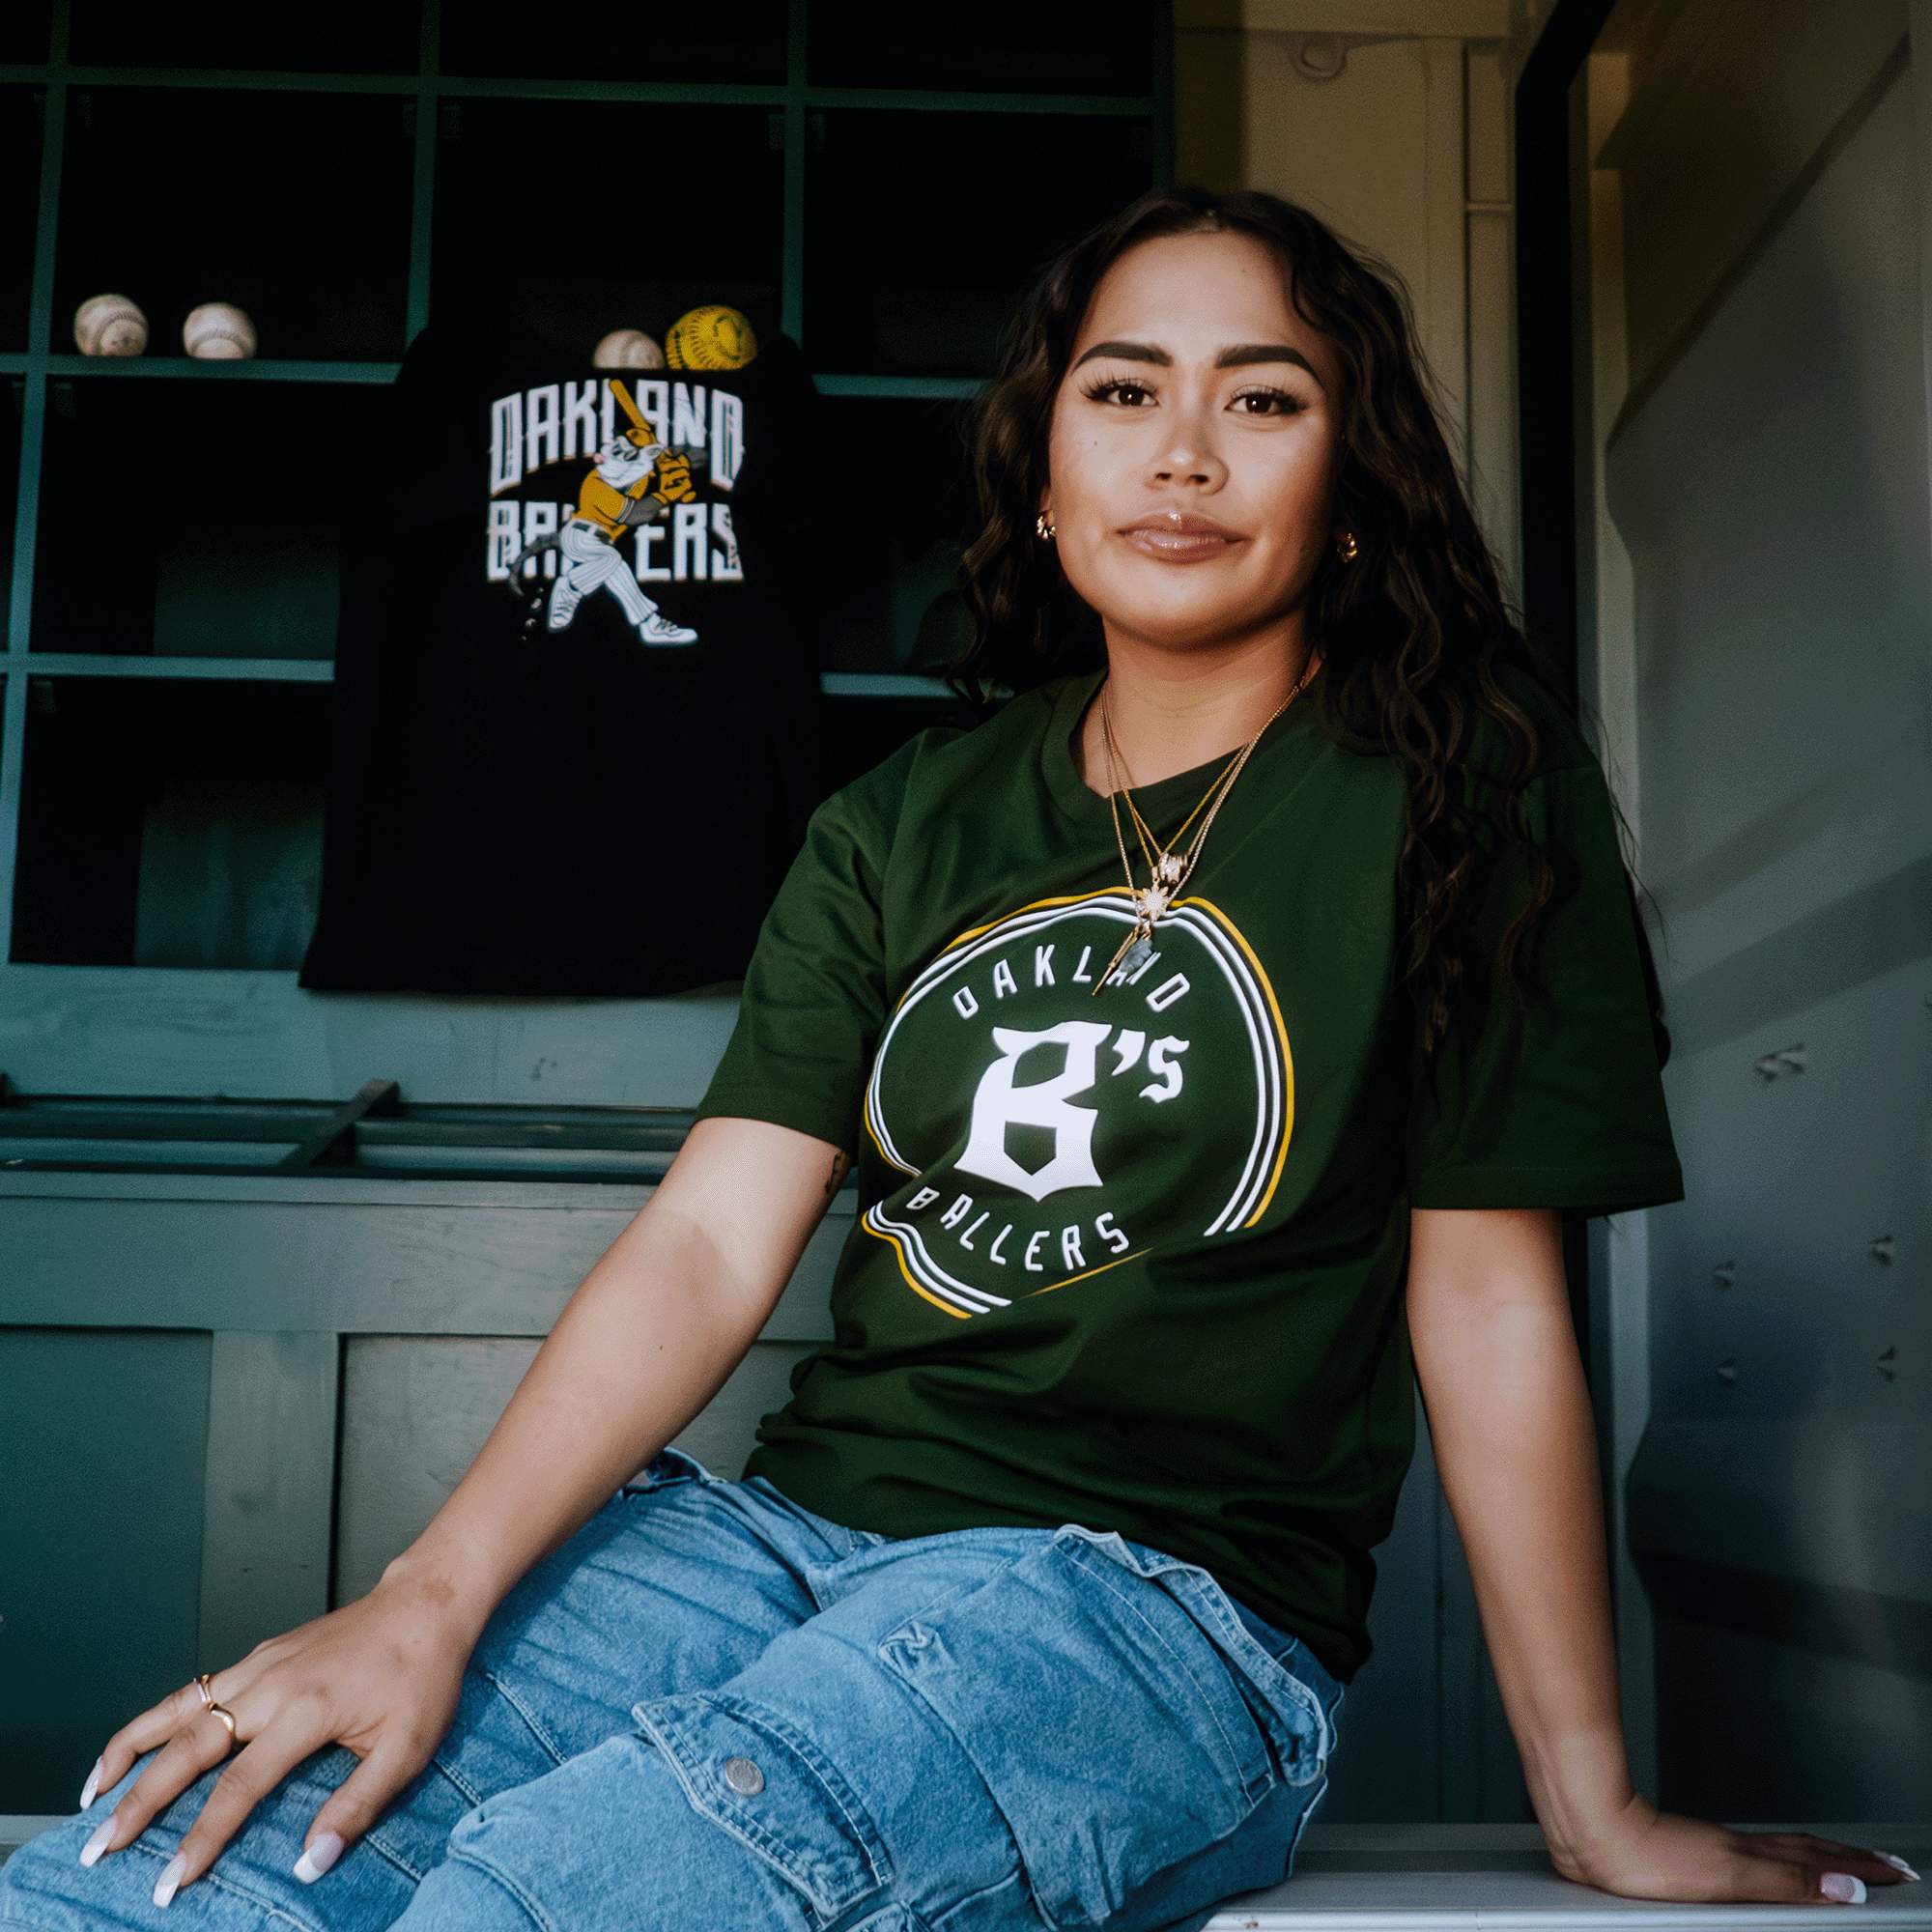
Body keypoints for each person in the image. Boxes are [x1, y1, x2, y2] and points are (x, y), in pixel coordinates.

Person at [3, 187, 1913, 1932]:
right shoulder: (901, 818)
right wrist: (424, 1597)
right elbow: (705, 1246)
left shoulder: (1467, 799)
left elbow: (1486, 1308)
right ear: (1044, 468)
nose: (1180, 452)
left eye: (1260, 400)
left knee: (551, 1903)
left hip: (1145, 1612)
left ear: (1349, 481)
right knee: (160, 1877)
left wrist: (1591, 1804)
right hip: (766, 1540)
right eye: (1120, 392)